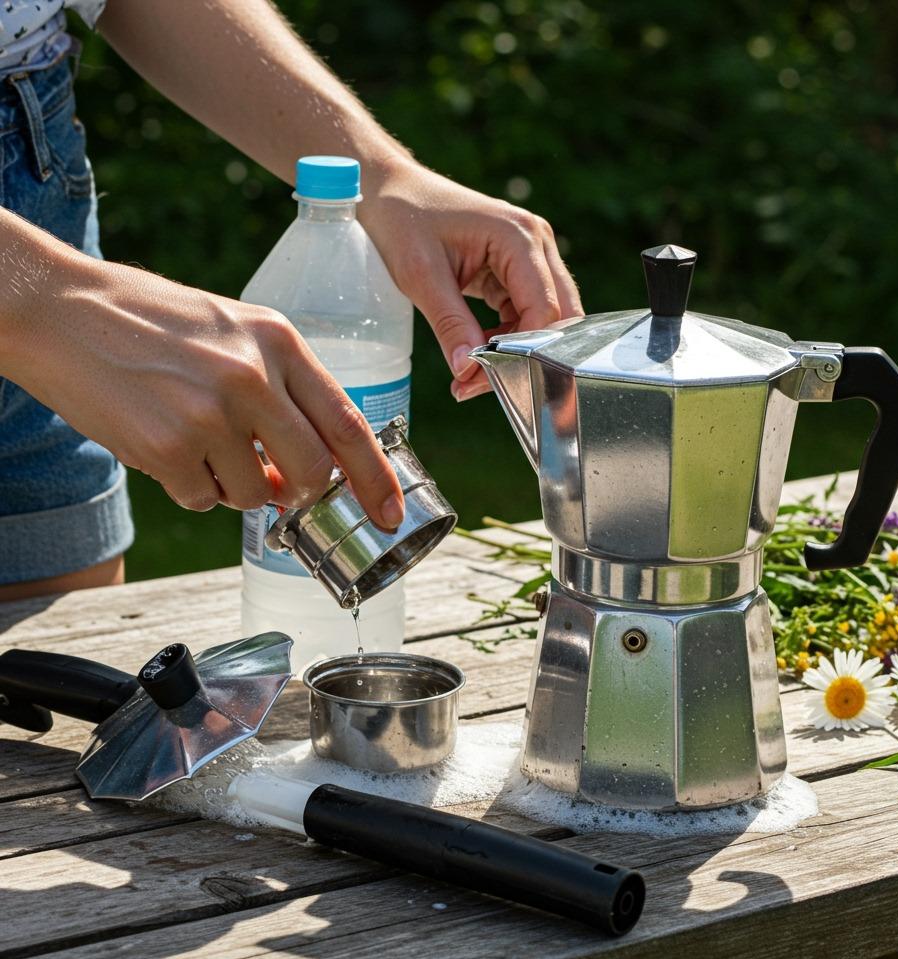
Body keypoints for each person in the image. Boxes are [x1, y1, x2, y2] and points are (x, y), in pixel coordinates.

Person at [0, 0, 582, 601]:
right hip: (29, 273)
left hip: (33, 135)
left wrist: (382, 178)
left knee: (57, 656)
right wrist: (43, 302)